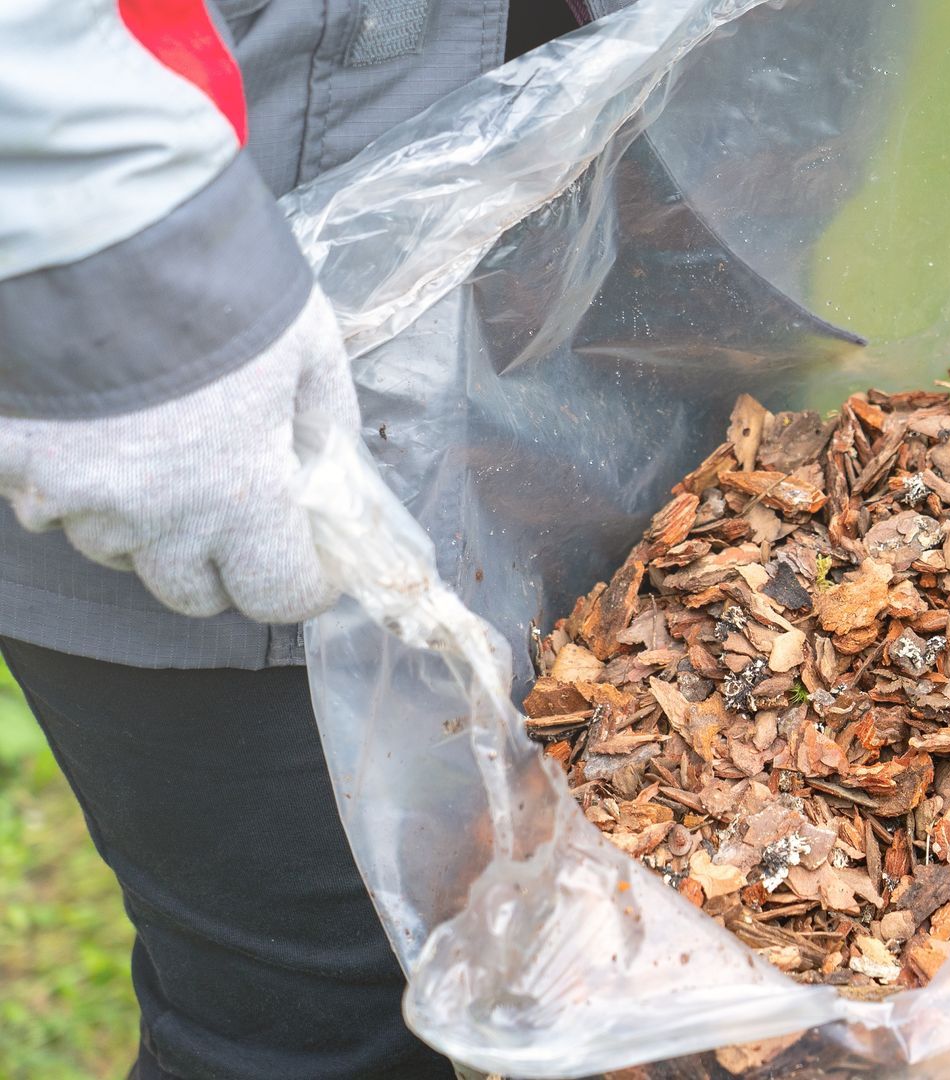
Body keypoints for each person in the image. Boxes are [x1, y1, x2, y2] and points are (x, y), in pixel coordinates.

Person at [0, 1, 595, 1076]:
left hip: (672, 158)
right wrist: (110, 249)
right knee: (319, 1008)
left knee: (679, 898)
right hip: (238, 215)